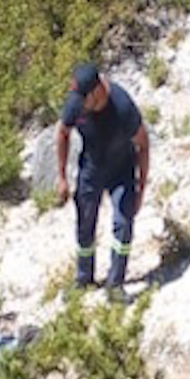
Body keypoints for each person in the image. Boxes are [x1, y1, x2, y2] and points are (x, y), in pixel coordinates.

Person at [56, 63, 150, 302]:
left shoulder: (122, 106)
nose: (79, 103)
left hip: (121, 170)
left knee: (123, 223)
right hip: (91, 168)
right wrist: (62, 177)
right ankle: (84, 279)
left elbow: (143, 144)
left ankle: (115, 284)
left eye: (84, 97)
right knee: (85, 222)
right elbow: (63, 133)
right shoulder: (76, 104)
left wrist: (141, 189)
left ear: (97, 91)